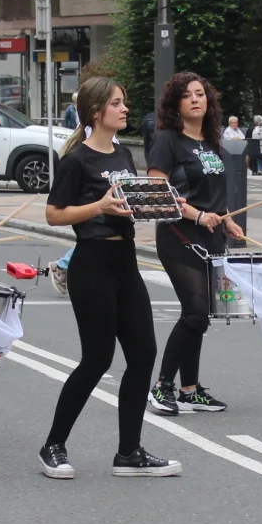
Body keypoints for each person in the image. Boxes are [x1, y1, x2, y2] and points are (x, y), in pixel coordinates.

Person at [40, 77, 180, 479]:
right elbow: (53, 214)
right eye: (117, 103)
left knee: (143, 354)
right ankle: (53, 445)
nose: (125, 109)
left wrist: (162, 203)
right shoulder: (76, 160)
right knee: (97, 359)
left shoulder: (122, 154)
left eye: (124, 102)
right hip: (92, 263)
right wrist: (99, 206)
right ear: (96, 111)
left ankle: (129, 452)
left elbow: (129, 204)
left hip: (125, 261)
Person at [147, 72, 242, 416]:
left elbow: (214, 194)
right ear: (176, 104)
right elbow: (157, 192)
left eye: (200, 94)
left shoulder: (212, 142)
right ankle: (162, 386)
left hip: (211, 236)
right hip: (179, 234)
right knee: (196, 311)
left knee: (200, 317)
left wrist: (227, 219)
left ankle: (190, 390)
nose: (195, 100)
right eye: (187, 95)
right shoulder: (168, 140)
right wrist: (198, 216)